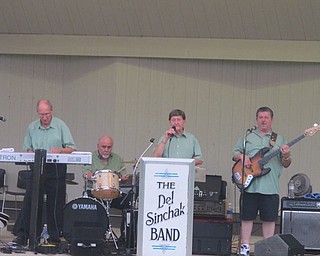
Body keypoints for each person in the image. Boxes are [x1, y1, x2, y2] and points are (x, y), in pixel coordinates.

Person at [12, 99, 77, 246]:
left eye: (47, 114)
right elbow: (27, 148)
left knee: (55, 203)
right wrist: (31, 153)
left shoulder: (61, 125)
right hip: (37, 166)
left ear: (52, 111)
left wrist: (60, 149)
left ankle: (54, 238)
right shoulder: (32, 127)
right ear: (38, 113)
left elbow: (72, 147)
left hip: (56, 168)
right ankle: (27, 235)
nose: (44, 117)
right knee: (31, 201)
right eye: (41, 114)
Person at [232, 106, 291, 256]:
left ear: (271, 120)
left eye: (266, 117)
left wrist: (286, 155)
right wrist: (242, 157)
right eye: (261, 117)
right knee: (246, 217)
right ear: (257, 119)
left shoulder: (279, 139)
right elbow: (235, 153)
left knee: (269, 219)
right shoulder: (248, 137)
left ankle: (267, 249)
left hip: (270, 186)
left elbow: (286, 163)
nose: (263, 120)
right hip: (249, 185)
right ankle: (244, 248)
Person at [82, 135, 130, 206]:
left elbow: (123, 175)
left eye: (109, 147)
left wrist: (124, 178)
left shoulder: (118, 159)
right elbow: (85, 173)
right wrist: (88, 175)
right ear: (98, 146)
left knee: (128, 201)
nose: (106, 150)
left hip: (113, 193)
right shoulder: (90, 157)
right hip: (94, 192)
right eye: (103, 147)